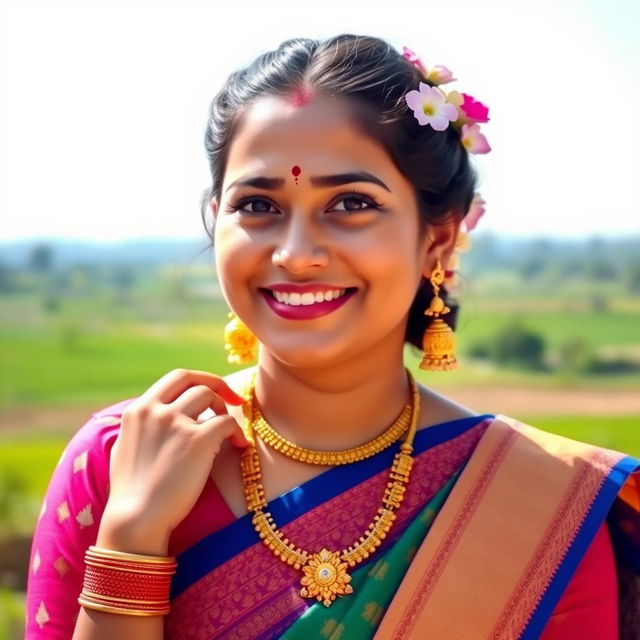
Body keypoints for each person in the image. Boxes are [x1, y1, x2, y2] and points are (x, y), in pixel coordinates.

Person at [25, 34, 640, 640]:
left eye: (349, 203)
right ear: (218, 220)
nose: (295, 255)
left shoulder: (539, 506)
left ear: (438, 237)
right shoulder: (117, 465)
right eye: (259, 206)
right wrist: (131, 538)